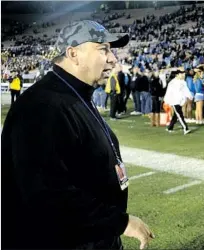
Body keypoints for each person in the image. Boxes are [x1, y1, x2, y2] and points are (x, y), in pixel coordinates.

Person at [1, 20, 154, 249]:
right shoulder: (42, 106)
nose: (113, 58)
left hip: (93, 237)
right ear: (73, 54)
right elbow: (45, 193)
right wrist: (120, 223)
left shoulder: (74, 95)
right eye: (104, 49)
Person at [164, 69, 193, 134]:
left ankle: (170, 127)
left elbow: (186, 90)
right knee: (180, 115)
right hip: (174, 101)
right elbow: (168, 92)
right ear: (177, 75)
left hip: (180, 101)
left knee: (176, 115)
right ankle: (185, 128)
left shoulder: (183, 82)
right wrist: (166, 100)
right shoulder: (172, 83)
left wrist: (190, 96)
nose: (183, 75)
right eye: (181, 74)